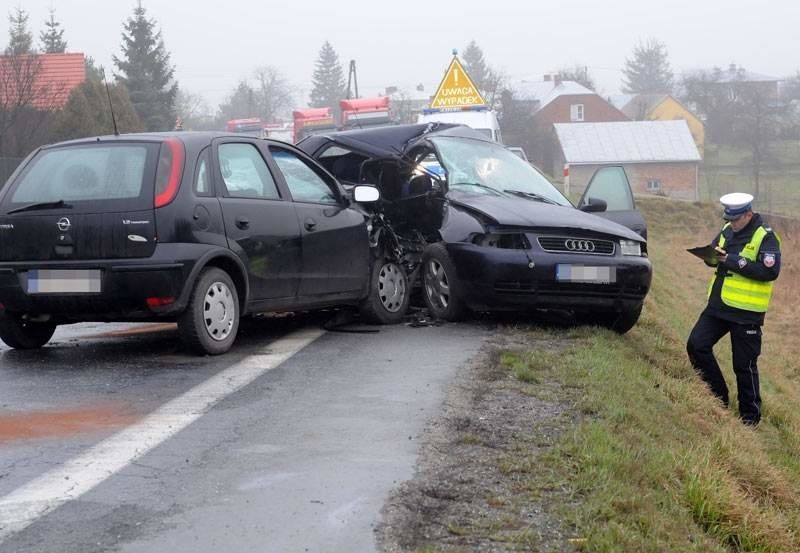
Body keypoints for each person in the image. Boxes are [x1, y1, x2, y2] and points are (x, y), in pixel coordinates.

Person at [687, 193, 781, 426]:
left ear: (749, 214)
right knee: (696, 345)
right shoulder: (727, 229)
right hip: (718, 306)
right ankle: (717, 397)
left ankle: (750, 419)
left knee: (744, 366)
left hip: (746, 313)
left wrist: (730, 259)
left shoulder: (766, 237)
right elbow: (715, 251)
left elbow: (769, 271)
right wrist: (709, 256)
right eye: (729, 218)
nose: (731, 223)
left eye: (736, 218)